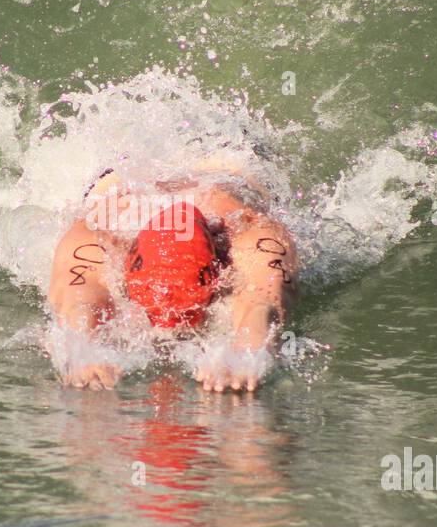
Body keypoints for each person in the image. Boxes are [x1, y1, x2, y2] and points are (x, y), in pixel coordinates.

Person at [47, 163, 299, 392]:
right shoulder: (97, 236)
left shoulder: (252, 232)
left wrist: (250, 350)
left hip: (225, 165)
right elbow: (79, 302)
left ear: (219, 269)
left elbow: (263, 302)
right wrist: (81, 353)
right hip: (124, 171)